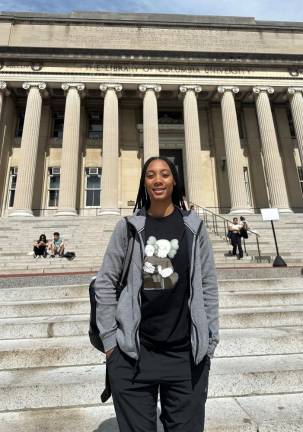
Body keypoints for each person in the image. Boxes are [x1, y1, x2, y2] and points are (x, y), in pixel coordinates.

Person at [94, 156, 219, 432]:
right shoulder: (128, 228)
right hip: (134, 355)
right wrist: (111, 343)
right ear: (144, 183)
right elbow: (105, 283)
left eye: (164, 174)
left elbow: (208, 285)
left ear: (175, 180)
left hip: (185, 355)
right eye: (150, 175)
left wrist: (209, 341)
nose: (157, 180)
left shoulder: (194, 228)